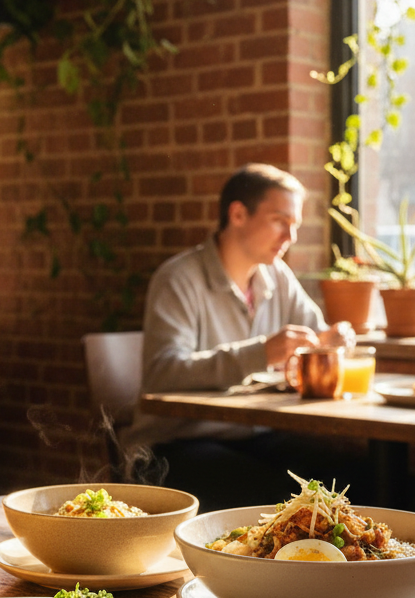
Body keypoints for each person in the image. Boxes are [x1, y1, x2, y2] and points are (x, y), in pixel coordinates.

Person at [124, 163, 365, 510]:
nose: (290, 237)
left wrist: (334, 339)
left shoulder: (277, 276)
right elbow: (163, 372)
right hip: (171, 445)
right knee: (275, 497)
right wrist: (262, 352)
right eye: (280, 221)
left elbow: (317, 334)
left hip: (254, 434)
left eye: (294, 225)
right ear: (237, 214)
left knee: (351, 474)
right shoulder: (178, 279)